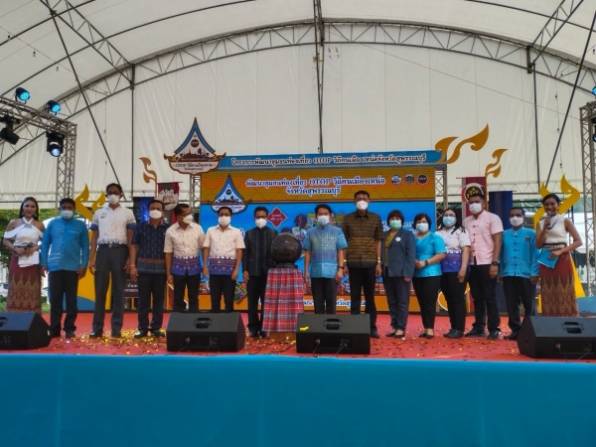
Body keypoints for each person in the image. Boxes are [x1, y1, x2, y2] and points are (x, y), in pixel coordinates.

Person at [88, 183, 136, 338]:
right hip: (102, 251)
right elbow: (94, 238)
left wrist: (130, 259)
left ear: (121, 194)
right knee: (100, 291)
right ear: (106, 195)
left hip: (120, 251)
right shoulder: (98, 213)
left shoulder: (128, 213)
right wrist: (91, 258)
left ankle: (116, 329)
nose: (112, 195)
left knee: (119, 292)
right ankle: (97, 329)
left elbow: (131, 239)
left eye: (115, 192)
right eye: (110, 192)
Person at [40, 198, 89, 338]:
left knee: (71, 301)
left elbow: (85, 247)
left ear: (74, 210)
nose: (66, 210)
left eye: (69, 207)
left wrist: (83, 265)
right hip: (54, 267)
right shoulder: (52, 224)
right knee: (55, 300)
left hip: (73, 268)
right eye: (64, 207)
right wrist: (44, 262)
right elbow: (45, 244)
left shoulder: (80, 225)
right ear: (59, 209)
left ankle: (69, 328)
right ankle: (54, 329)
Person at [463, 185, 504, 340]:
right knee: (477, 297)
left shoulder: (493, 218)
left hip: (488, 262)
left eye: (477, 201)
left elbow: (498, 241)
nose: (473, 204)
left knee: (490, 296)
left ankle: (494, 328)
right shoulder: (466, 221)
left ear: (484, 203)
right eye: (471, 202)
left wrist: (495, 263)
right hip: (472, 264)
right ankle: (479, 327)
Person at [342, 190, 383, 338]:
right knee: (354, 297)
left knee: (370, 297)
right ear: (354, 201)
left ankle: (371, 327)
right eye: (359, 198)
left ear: (369, 201)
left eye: (364, 198)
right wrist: (344, 263)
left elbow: (378, 241)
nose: (362, 200)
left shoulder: (376, 218)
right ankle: (355, 328)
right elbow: (343, 243)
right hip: (353, 263)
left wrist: (378, 262)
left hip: (370, 263)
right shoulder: (347, 219)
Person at [536, 193, 582, 316]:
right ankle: (550, 319)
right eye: (546, 204)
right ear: (543, 206)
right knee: (547, 289)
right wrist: (545, 228)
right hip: (546, 258)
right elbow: (538, 245)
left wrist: (560, 251)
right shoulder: (541, 223)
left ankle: (568, 318)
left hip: (562, 258)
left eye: (552, 204)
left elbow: (578, 241)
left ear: (558, 205)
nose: (549, 206)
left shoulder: (565, 220)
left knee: (564, 288)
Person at [130, 199, 168, 338]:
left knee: (159, 301)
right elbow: (134, 246)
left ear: (163, 211)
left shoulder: (168, 229)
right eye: (152, 208)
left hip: (161, 271)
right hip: (143, 269)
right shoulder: (140, 227)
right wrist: (132, 266)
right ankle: (142, 328)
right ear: (148, 210)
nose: (155, 210)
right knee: (143, 301)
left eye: (158, 208)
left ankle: (156, 328)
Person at [500, 207, 539, 340]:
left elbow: (535, 254)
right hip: (508, 274)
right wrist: (501, 272)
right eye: (512, 215)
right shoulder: (504, 234)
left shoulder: (531, 234)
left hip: (527, 274)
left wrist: (534, 272)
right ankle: (515, 331)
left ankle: (530, 331)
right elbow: (500, 254)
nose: (515, 218)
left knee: (529, 304)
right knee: (511, 304)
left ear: (523, 217)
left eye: (518, 215)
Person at [2, 197, 44, 314]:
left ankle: (33, 319)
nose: (29, 208)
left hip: (33, 261)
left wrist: (35, 248)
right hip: (17, 260)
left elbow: (46, 241)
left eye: (32, 206)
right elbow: (5, 240)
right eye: (27, 206)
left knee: (33, 289)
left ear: (36, 209)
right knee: (15, 288)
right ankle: (13, 319)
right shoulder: (14, 222)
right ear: (22, 208)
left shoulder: (39, 225)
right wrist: (15, 249)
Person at [303, 204, 347, 315]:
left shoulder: (337, 231)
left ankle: (331, 325)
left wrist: (340, 269)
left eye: (325, 214)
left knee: (331, 304)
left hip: (332, 273)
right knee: (318, 304)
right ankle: (319, 326)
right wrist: (306, 271)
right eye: (320, 214)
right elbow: (307, 252)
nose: (323, 216)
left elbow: (340, 251)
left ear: (331, 215)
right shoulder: (310, 232)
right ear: (316, 216)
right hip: (315, 273)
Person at [203, 206, 245, 312]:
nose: (223, 216)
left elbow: (239, 251)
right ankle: (214, 321)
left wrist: (237, 270)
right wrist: (205, 266)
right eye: (221, 214)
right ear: (218, 216)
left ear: (231, 216)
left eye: (226, 214)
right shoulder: (210, 230)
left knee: (229, 299)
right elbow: (206, 248)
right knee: (214, 299)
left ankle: (229, 321)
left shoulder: (236, 231)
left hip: (230, 271)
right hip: (214, 271)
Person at [381, 209, 416, 338]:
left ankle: (401, 327)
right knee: (391, 301)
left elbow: (411, 255)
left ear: (401, 221)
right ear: (388, 221)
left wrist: (408, 273)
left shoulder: (407, 234)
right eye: (392, 218)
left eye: (397, 218)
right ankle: (395, 326)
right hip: (387, 272)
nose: (395, 220)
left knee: (402, 302)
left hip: (402, 273)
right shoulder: (384, 235)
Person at [243, 207, 277, 337]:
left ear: (267, 218)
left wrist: (273, 270)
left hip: (268, 274)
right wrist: (245, 270)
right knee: (252, 303)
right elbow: (245, 254)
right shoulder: (249, 234)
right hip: (252, 273)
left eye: (263, 217)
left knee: (266, 303)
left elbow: (276, 254)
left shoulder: (273, 233)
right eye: (258, 217)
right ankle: (253, 328)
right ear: (254, 218)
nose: (260, 219)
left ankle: (264, 328)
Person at [437, 208, 470, 339]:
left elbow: (466, 249)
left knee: (458, 299)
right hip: (442, 271)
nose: (448, 217)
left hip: (457, 270)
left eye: (451, 215)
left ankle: (459, 328)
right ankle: (453, 327)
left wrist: (463, 268)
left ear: (456, 218)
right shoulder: (438, 233)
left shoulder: (461, 231)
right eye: (446, 215)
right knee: (449, 299)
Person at [164, 203, 205, 312]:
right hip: (177, 269)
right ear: (178, 217)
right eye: (187, 214)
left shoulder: (198, 228)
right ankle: (179, 320)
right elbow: (168, 253)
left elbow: (203, 248)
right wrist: (168, 274)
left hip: (194, 268)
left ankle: (194, 320)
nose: (190, 216)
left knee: (194, 297)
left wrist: (205, 265)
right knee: (178, 297)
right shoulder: (170, 231)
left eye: (190, 213)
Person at [412, 213, 446, 339]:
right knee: (421, 302)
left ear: (429, 224)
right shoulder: (412, 238)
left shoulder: (435, 237)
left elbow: (441, 254)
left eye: (424, 221)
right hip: (416, 274)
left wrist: (426, 262)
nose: (422, 224)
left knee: (430, 301)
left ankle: (430, 329)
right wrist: (413, 261)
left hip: (432, 273)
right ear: (415, 224)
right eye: (419, 221)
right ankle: (426, 327)